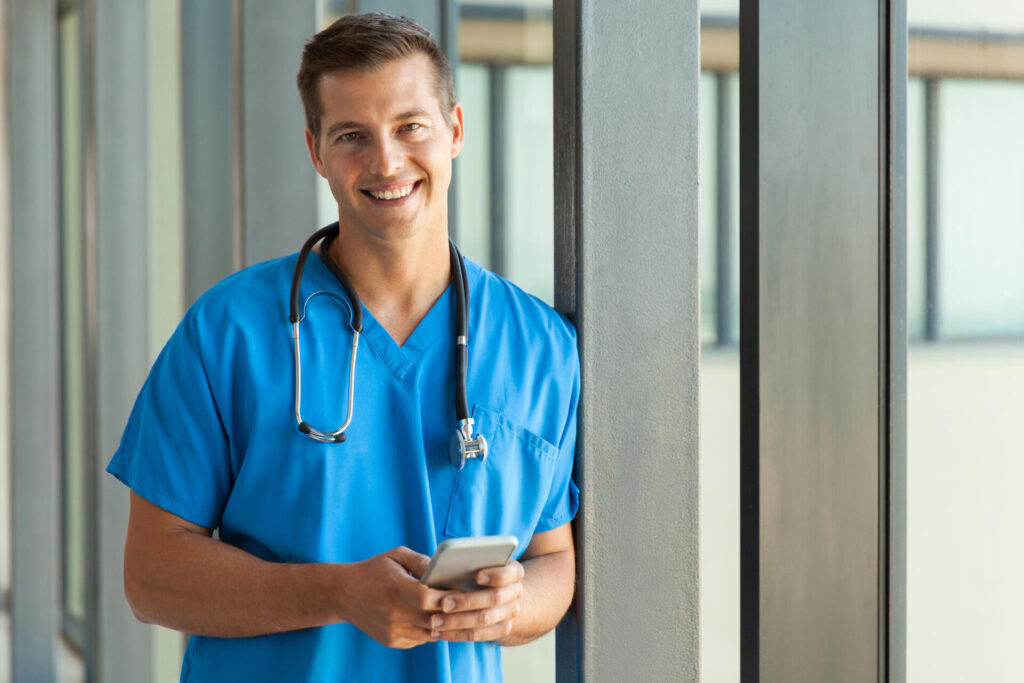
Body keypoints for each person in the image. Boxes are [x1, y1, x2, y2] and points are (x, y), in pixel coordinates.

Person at [108, 12, 580, 682]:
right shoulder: (229, 332)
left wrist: (511, 605)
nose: (386, 161)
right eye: (352, 135)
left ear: (455, 131)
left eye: (410, 126)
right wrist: (336, 593)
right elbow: (150, 575)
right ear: (316, 150)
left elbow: (554, 563)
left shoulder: (541, 349)